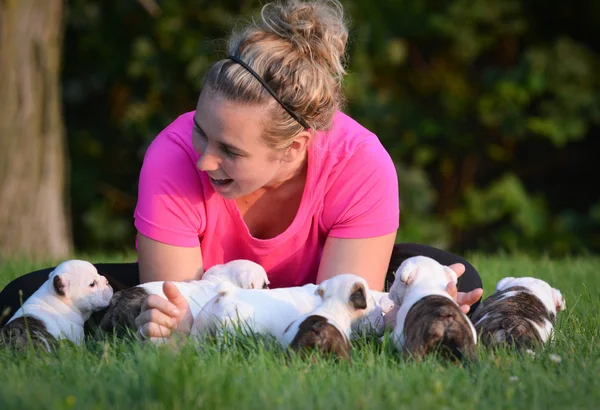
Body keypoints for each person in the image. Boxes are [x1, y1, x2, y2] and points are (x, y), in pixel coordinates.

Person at [0, 0, 483, 336]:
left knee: (456, 279)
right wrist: (175, 323)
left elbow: (338, 315)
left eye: (229, 149)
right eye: (201, 130)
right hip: (211, 283)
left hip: (310, 277)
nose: (204, 158)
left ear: (295, 147)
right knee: (21, 296)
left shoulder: (360, 162)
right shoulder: (172, 153)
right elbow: (179, 304)